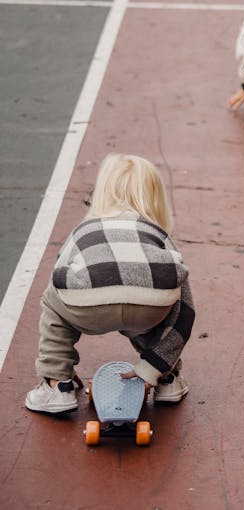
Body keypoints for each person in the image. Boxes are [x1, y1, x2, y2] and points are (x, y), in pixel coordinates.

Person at [25, 153, 195, 415]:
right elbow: (185, 313)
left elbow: (61, 271)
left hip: (88, 302)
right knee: (163, 303)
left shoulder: (85, 229)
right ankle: (167, 380)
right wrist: (151, 369)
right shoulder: (158, 235)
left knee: (53, 300)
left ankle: (57, 385)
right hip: (149, 307)